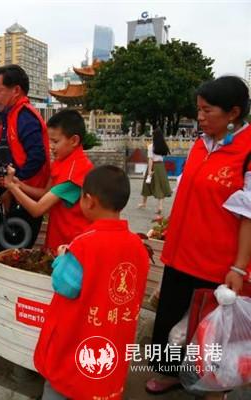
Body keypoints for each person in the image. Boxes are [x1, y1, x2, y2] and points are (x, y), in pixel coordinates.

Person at [145, 76, 251, 396]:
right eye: (198, 110)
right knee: (170, 318)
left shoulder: (247, 151)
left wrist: (238, 267)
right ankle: (170, 374)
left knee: (208, 330)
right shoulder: (200, 144)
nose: (200, 117)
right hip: (181, 253)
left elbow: (249, 215)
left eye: (207, 111)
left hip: (217, 263)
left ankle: (211, 384)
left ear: (233, 113)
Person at [34, 165, 150, 399]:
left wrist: (62, 257)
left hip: (76, 344)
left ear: (89, 200)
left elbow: (65, 285)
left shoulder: (84, 244)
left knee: (60, 389)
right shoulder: (138, 246)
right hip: (112, 340)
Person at [0, 64, 51, 253]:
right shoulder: (12, 115)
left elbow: (36, 158)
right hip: (15, 194)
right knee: (2, 252)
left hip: (25, 199)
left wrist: (12, 188)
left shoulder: (26, 117)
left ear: (16, 90)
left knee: (8, 255)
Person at [2, 109, 94, 253]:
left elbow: (37, 210)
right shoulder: (62, 161)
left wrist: (12, 187)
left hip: (72, 247)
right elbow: (45, 193)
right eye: (49, 140)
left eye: (55, 141)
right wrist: (19, 184)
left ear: (74, 140)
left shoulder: (74, 174)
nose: (51, 146)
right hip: (59, 239)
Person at [138, 129, 172, 214]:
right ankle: (160, 206)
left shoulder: (151, 146)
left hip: (153, 166)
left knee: (147, 184)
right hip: (161, 167)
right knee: (161, 185)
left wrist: (149, 171)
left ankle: (144, 203)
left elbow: (150, 159)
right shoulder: (163, 146)